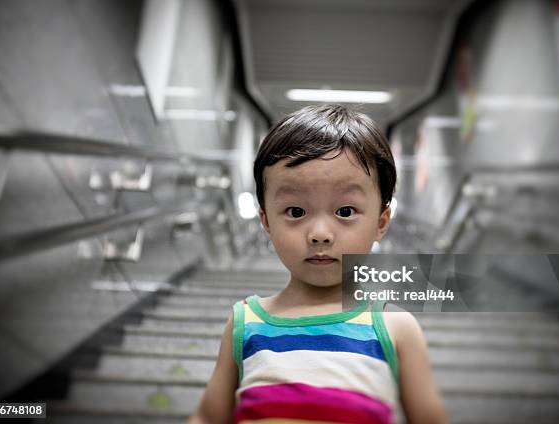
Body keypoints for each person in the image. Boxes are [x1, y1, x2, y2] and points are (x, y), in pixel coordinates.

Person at [188, 104, 447, 424]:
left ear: (381, 221)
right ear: (266, 221)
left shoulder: (394, 329)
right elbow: (208, 417)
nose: (320, 234)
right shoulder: (245, 323)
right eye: (296, 212)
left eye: (345, 211)